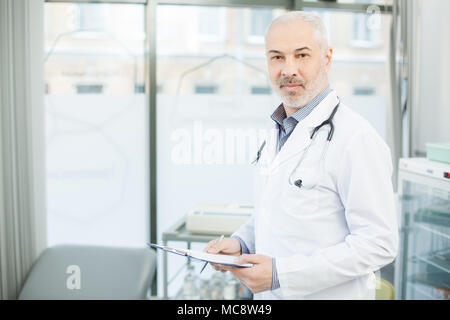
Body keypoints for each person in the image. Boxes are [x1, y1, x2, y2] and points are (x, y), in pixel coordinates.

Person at [204, 11, 398, 299]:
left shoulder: (356, 138)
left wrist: (282, 274)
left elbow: (378, 243)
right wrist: (242, 243)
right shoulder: (278, 129)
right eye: (277, 57)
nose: (288, 69)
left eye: (302, 55)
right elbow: (276, 213)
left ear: (327, 58)